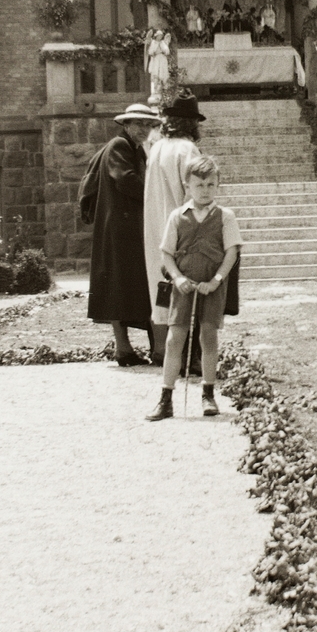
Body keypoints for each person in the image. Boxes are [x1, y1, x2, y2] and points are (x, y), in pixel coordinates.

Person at [147, 155, 242, 422]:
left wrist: (216, 281)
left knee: (208, 337)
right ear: (187, 185)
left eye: (211, 185)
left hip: (211, 287)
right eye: (199, 185)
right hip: (184, 287)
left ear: (218, 185)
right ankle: (165, 399)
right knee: (174, 338)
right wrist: (177, 278)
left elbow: (231, 252)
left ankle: (208, 394)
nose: (205, 191)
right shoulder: (177, 216)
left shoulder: (225, 216)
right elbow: (166, 253)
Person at [85, 102, 160, 366]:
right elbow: (125, 179)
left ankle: (131, 348)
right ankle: (124, 348)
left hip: (127, 227)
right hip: (119, 229)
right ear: (126, 125)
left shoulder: (135, 148)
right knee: (119, 286)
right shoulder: (120, 146)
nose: (144, 129)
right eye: (138, 124)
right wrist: (156, 196)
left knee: (129, 287)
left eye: (149, 125)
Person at [144, 94, 205, 367]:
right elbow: (194, 193)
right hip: (181, 228)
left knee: (161, 290)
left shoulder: (156, 148)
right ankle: (188, 356)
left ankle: (161, 351)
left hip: (156, 225)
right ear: (191, 124)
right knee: (186, 290)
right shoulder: (188, 150)